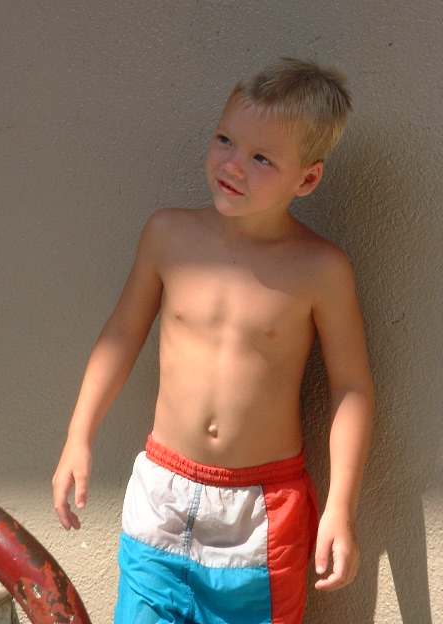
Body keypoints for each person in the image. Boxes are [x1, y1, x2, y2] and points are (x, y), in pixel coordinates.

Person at [53, 57, 374, 624]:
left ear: (307, 179)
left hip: (260, 516)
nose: (233, 164)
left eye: (262, 158)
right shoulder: (168, 235)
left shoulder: (320, 268)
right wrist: (78, 436)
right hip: (162, 494)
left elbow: (351, 387)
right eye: (225, 139)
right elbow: (122, 334)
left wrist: (340, 507)